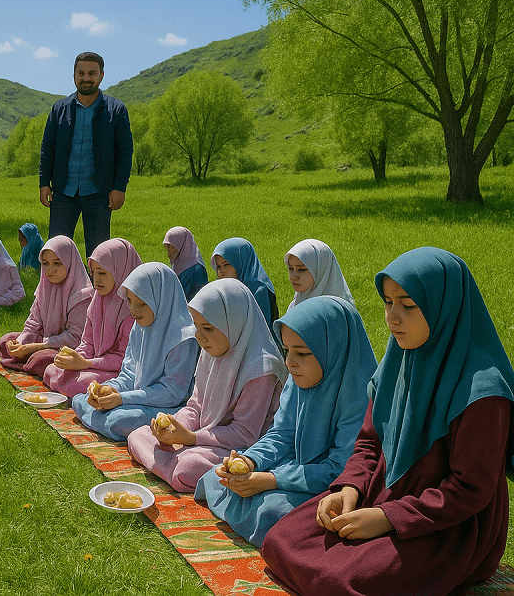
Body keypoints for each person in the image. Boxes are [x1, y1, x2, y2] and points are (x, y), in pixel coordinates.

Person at [262, 248, 514, 596]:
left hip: (445, 525)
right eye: (387, 302)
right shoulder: (397, 362)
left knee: (342, 580)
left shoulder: (483, 390)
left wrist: (387, 519)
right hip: (383, 493)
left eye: (408, 305)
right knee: (281, 539)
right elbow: (368, 442)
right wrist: (348, 489)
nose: (391, 318)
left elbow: (470, 490)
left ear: (444, 306)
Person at [194, 296, 377, 546]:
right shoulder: (298, 378)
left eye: (301, 353)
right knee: (216, 477)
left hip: (330, 486)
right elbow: (282, 433)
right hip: (296, 467)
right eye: (287, 351)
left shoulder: (359, 395)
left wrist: (271, 480)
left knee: (273, 511)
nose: (289, 362)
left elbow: (341, 469)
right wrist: (250, 460)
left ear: (332, 351)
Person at [126, 278, 287, 492]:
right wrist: (174, 426)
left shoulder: (261, 369)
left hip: (239, 450)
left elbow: (245, 434)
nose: (199, 336)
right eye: (197, 326)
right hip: (204, 439)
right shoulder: (212, 349)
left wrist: (191, 438)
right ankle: (175, 469)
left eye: (209, 328)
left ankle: (173, 468)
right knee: (137, 435)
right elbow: (195, 405)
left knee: (189, 465)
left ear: (233, 322)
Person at [70, 262, 200, 441]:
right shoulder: (140, 327)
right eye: (130, 301)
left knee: (120, 420)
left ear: (161, 300)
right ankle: (103, 418)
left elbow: (172, 393)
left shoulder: (184, 338)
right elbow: (129, 374)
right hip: (136, 399)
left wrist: (122, 399)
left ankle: (105, 421)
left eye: (141, 304)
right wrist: (109, 389)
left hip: (167, 407)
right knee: (82, 400)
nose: (133, 310)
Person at [39, 52, 133, 258]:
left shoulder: (116, 110)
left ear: (101, 76)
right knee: (57, 251)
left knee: (99, 254)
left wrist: (119, 187)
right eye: (81, 73)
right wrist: (44, 182)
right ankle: (57, 291)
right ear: (74, 75)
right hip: (64, 191)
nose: (86, 78)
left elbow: (125, 151)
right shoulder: (59, 109)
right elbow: (48, 147)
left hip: (99, 193)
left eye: (92, 73)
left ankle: (98, 291)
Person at [42, 237, 141, 396]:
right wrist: (73, 358)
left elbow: (124, 359)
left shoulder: (133, 309)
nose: (96, 280)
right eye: (93, 273)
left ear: (120, 270)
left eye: (102, 273)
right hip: (96, 364)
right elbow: (87, 343)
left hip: (120, 372)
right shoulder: (97, 301)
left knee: (81, 383)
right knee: (51, 369)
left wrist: (86, 363)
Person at [0, 236, 92, 375]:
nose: (50, 270)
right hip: (45, 340)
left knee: (40, 359)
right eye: (46, 263)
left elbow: (75, 338)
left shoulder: (82, 294)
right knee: (6, 341)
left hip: (69, 349)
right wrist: (20, 342)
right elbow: (33, 323)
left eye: (57, 263)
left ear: (70, 262)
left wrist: (39, 346)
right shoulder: (45, 287)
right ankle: (27, 358)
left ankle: (32, 361)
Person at [211, 237, 279, 336]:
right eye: (218, 267)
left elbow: (260, 329)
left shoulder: (258, 289)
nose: (221, 271)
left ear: (241, 261)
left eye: (226, 264)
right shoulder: (224, 287)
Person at [284, 238, 354, 310]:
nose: (293, 276)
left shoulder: (336, 312)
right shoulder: (296, 303)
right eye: (290, 268)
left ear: (321, 270)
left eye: (301, 269)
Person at [163, 226, 208, 302]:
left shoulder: (197, 270)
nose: (169, 251)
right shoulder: (178, 264)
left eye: (172, 247)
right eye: (166, 246)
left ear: (182, 245)